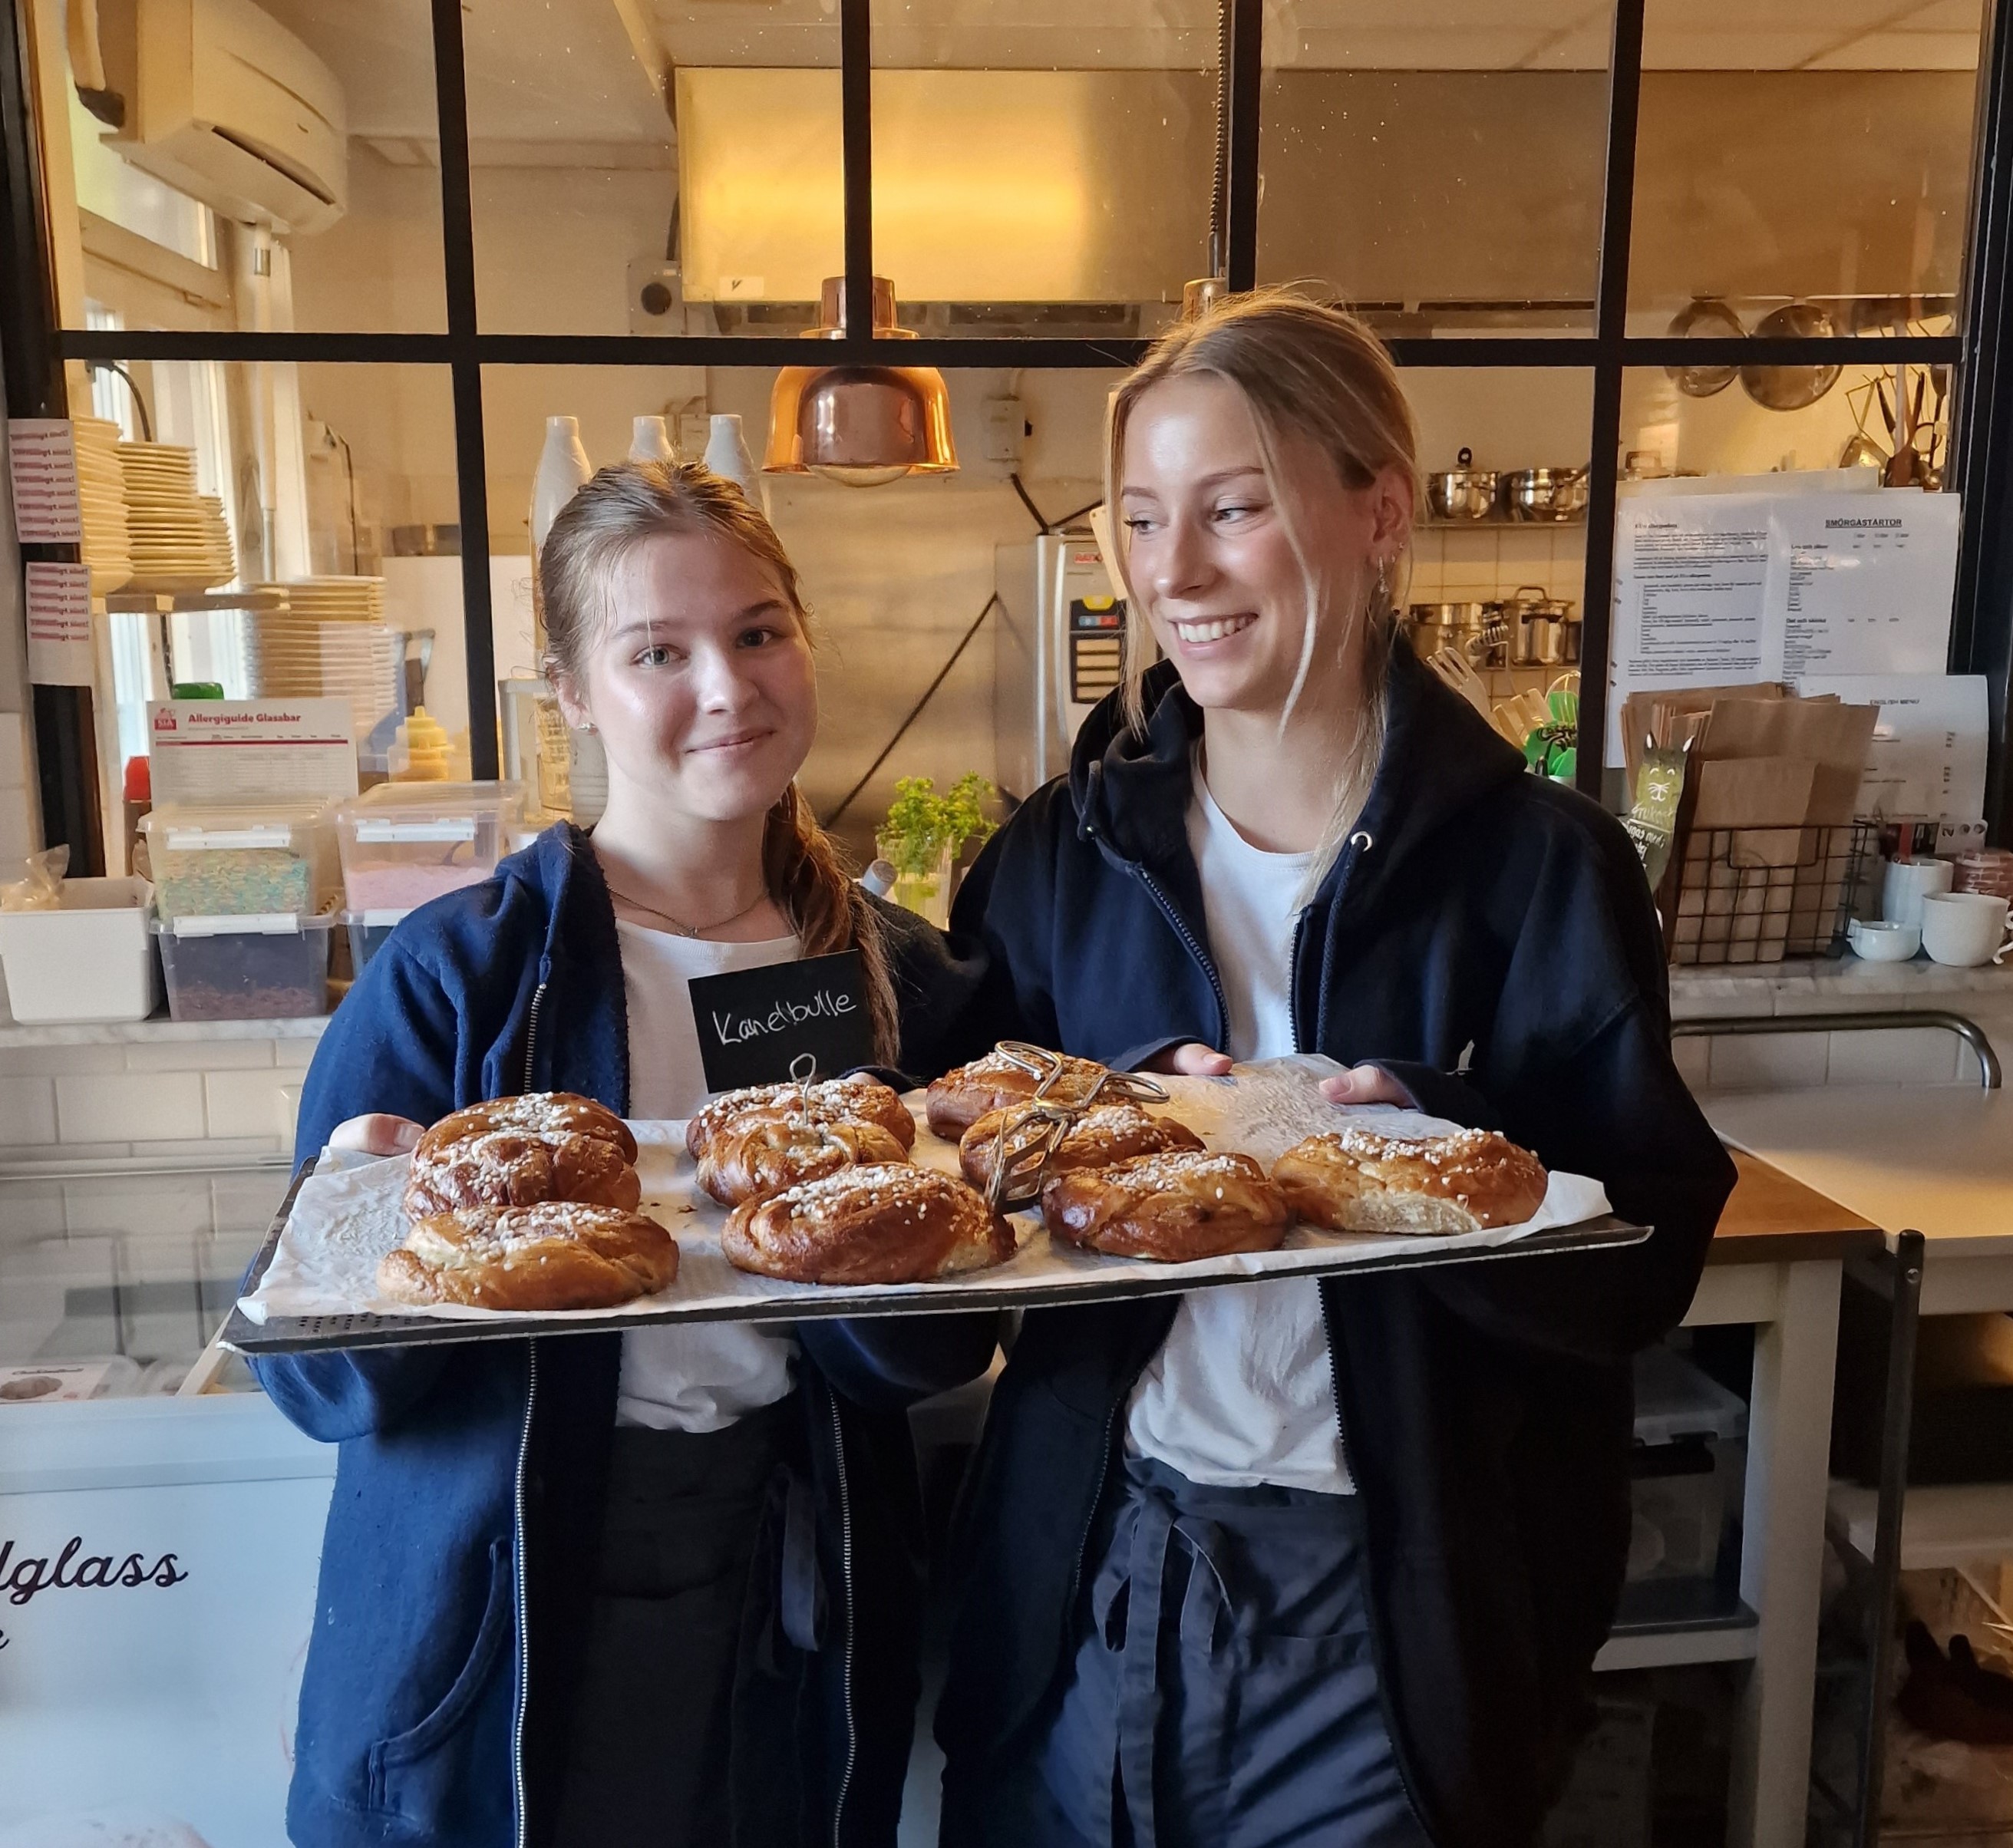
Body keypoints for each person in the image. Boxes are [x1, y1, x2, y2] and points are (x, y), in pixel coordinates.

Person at [933, 293, 1737, 1848]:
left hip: (1399, 1598)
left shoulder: (1539, 870)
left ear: (1380, 514)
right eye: (1143, 518)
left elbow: (1646, 1251)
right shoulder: (1058, 860)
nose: (1173, 571)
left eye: (1231, 508)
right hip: (1093, 1567)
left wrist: (1447, 1152)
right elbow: (950, 1180)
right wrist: (1110, 1116)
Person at [251, 463, 994, 1848]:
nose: (727, 686)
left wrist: (883, 1236)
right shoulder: (466, 977)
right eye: (657, 651)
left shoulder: (900, 976)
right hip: (502, 1622)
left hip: (785, 1607)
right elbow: (315, 1384)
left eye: (759, 632)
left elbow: (933, 1355)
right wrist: (361, 1229)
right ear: (573, 693)